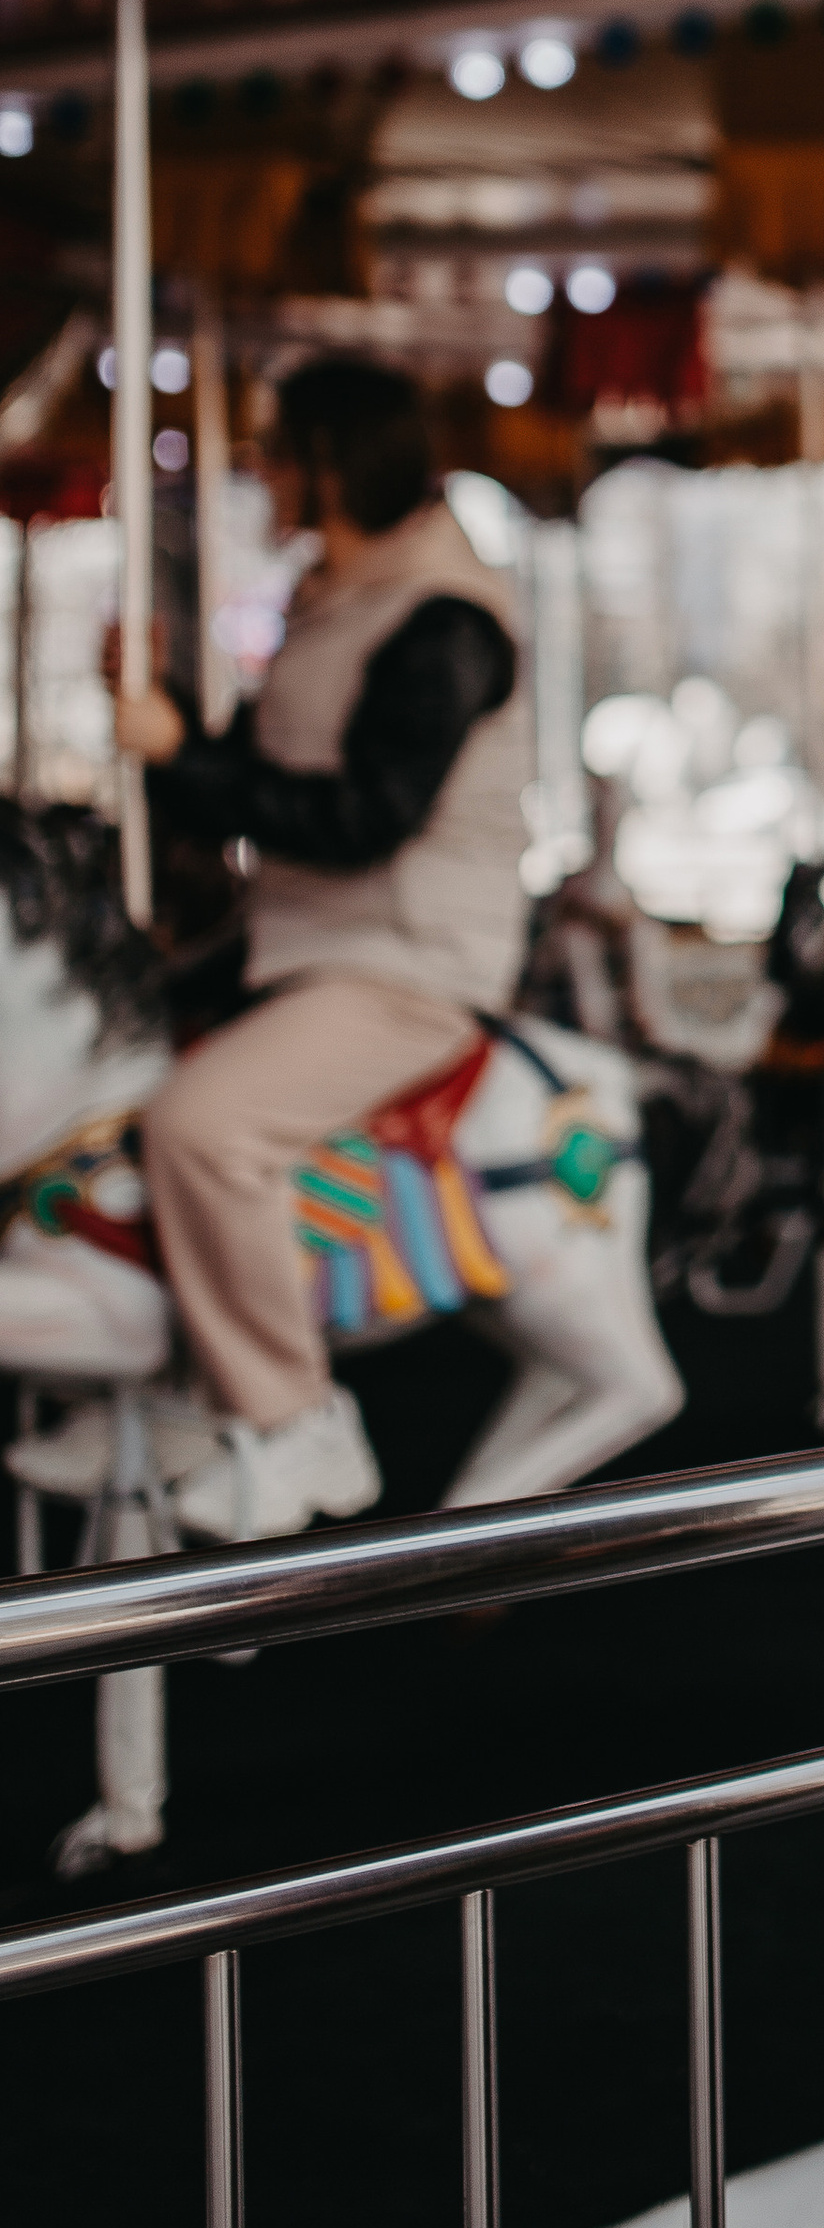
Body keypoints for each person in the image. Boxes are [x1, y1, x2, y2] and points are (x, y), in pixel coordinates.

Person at [111, 355, 531, 1543]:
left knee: (200, 1123)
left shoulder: (445, 617)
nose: (262, 474)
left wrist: (176, 754)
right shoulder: (333, 595)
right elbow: (253, 776)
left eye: (278, 452)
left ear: (331, 464)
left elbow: (363, 819)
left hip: (406, 962)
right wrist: (172, 747)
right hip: (303, 944)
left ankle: (294, 1416)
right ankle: (157, 1385)